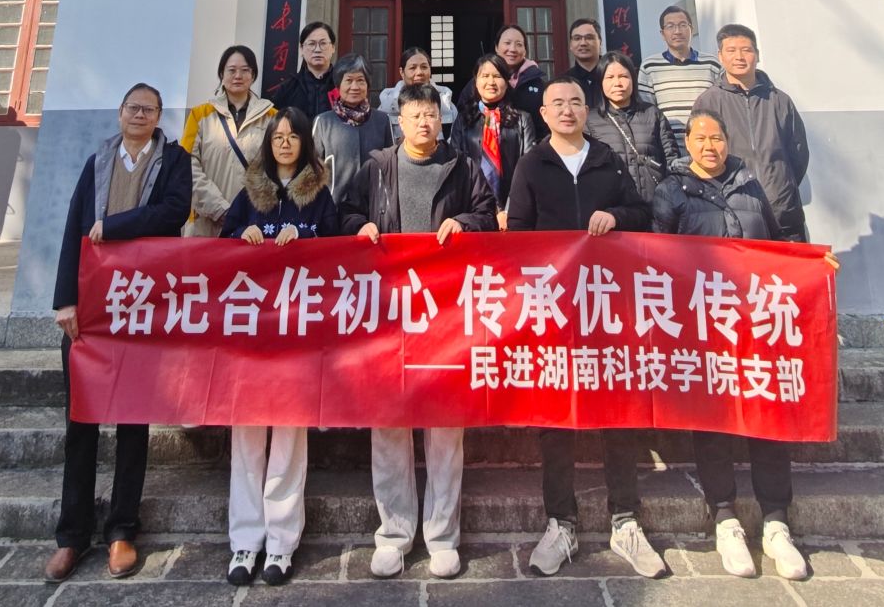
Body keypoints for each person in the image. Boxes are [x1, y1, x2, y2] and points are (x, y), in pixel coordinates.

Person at [505, 77, 666, 580]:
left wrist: (614, 216)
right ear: (544, 114)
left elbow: (641, 213)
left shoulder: (606, 159)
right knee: (556, 419)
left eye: (576, 102)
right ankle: (561, 523)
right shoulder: (532, 164)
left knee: (617, 412)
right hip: (553, 310)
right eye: (557, 103)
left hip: (606, 307)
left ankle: (625, 520)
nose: (567, 110)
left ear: (585, 109)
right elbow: (518, 235)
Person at [338, 82, 499, 579]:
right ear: (400, 121)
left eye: (431, 114)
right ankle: (394, 534)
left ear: (440, 119)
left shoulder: (462, 166)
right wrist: (359, 227)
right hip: (389, 313)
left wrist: (465, 223)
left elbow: (488, 216)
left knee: (445, 426)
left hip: (445, 313)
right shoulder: (377, 167)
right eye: (415, 115)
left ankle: (442, 536)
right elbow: (345, 212)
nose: (424, 122)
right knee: (388, 424)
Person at [654, 111, 810, 581]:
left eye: (717, 138)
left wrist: (814, 267)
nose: (710, 146)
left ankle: (777, 522)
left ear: (727, 141)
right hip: (703, 328)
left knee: (768, 417)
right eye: (701, 138)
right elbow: (654, 257)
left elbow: (781, 244)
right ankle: (725, 518)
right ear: (686, 142)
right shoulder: (671, 191)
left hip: (755, 325)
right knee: (714, 422)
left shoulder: (750, 185)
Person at [50, 82, 192, 582]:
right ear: (119, 113)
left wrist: (115, 226)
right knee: (80, 421)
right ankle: (72, 534)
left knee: (133, 419)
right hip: (93, 305)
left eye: (149, 109)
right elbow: (74, 230)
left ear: (158, 117)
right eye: (133, 107)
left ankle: (122, 530)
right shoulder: (98, 163)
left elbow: (173, 212)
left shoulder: (173, 161)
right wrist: (64, 299)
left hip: (143, 304)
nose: (139, 115)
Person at [217, 108, 340, 585]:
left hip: (298, 333)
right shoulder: (250, 193)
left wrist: (306, 238)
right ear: (268, 144)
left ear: (305, 142)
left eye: (293, 136)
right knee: (247, 433)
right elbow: (220, 248)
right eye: (277, 137)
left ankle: (282, 543)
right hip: (251, 334)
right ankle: (245, 541)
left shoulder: (319, 195)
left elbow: (338, 253)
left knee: (289, 433)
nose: (285, 143)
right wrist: (240, 235)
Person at [690, 23, 808, 244]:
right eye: (731, 50)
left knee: (789, 265)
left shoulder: (779, 100)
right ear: (720, 56)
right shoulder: (708, 102)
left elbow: (798, 154)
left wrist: (783, 184)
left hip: (783, 210)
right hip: (735, 214)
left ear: (757, 54)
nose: (739, 57)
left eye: (746, 50)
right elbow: (701, 158)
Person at [180, 44, 276, 238]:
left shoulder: (272, 117)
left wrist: (254, 211)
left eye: (245, 70)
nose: (238, 76)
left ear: (253, 75)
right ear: (221, 75)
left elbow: (279, 166)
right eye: (231, 70)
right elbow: (186, 165)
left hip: (254, 224)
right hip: (206, 222)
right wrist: (220, 209)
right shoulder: (200, 115)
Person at [451, 54, 541, 227]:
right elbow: (457, 166)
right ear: (476, 82)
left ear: (506, 82)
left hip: (514, 211)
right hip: (472, 210)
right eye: (485, 76)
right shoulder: (463, 120)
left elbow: (528, 167)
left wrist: (508, 210)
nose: (491, 82)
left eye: (497, 76)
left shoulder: (522, 120)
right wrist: (476, 213)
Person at [584, 51, 684, 204]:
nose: (617, 83)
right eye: (610, 77)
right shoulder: (590, 121)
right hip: (613, 207)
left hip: (655, 204)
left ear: (633, 79)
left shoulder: (652, 114)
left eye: (623, 76)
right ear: (601, 82)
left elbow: (672, 160)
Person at [313, 52, 395, 199]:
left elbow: (391, 166)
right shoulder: (323, 122)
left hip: (374, 205)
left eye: (360, 80)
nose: (355, 86)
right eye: (349, 80)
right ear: (339, 85)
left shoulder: (382, 120)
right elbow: (312, 169)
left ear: (368, 85)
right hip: (334, 205)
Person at [638, 4, 720, 139]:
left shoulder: (712, 64)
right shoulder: (649, 67)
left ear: (691, 29)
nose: (677, 31)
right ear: (662, 34)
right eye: (670, 26)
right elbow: (647, 112)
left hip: (706, 142)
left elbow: (721, 105)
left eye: (683, 25)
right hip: (669, 144)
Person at [271, 21, 339, 122]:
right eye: (311, 44)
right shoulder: (288, 88)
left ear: (333, 47)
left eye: (323, 43)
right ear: (301, 48)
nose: (317, 50)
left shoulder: (342, 84)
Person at [379, 46, 456, 132]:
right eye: (412, 68)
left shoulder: (446, 103)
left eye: (424, 67)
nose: (419, 72)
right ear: (402, 72)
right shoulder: (387, 105)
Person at [492, 24, 547, 116]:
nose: (513, 49)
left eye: (519, 44)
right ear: (496, 47)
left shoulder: (538, 84)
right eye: (507, 43)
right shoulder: (482, 82)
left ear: (525, 51)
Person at [564, 18, 606, 103]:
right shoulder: (565, 81)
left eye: (589, 38)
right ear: (570, 45)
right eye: (577, 38)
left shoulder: (613, 76)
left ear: (600, 42)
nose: (583, 43)